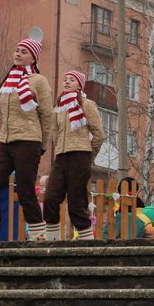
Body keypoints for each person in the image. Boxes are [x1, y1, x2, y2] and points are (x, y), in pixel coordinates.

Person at [0, 38, 52, 242]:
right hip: (5, 140)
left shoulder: (38, 80)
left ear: (33, 57)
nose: (18, 54)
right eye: (16, 50)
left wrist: (42, 145)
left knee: (26, 189)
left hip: (29, 140)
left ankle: (38, 237)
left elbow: (47, 115)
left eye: (24, 52)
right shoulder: (9, 81)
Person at [44, 70, 104, 241]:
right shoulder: (58, 108)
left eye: (72, 79)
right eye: (65, 79)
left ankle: (87, 242)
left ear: (79, 85)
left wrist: (88, 155)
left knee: (76, 203)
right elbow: (55, 134)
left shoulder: (87, 104)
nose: (67, 82)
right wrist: (58, 152)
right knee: (50, 199)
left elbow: (99, 134)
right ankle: (51, 242)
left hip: (80, 156)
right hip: (61, 157)